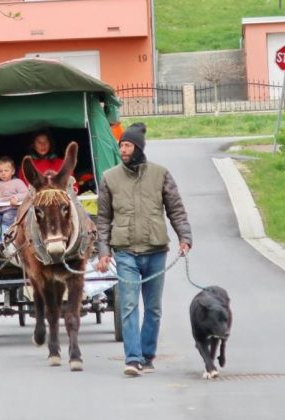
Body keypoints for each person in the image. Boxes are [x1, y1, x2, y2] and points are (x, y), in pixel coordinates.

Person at [95, 122, 192, 377]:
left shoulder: (161, 174)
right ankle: (133, 358)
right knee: (128, 306)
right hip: (125, 251)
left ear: (138, 147)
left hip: (156, 251)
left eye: (127, 145)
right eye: (121, 146)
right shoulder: (109, 178)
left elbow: (176, 210)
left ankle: (147, 355)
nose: (123, 150)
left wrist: (185, 237)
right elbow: (103, 219)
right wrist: (103, 251)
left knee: (154, 308)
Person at [0, 156, 28, 237]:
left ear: (13, 171)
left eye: (6, 171)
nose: (3, 173)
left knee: (7, 219)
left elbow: (26, 193)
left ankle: (5, 239)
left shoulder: (17, 182)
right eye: (0, 171)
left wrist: (16, 198)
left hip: (11, 210)